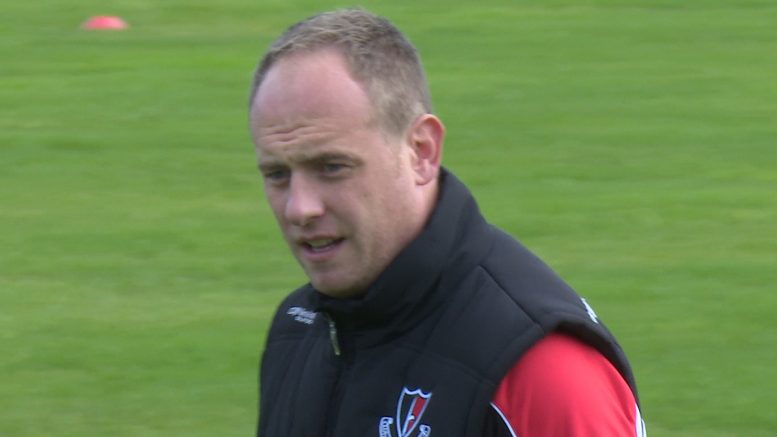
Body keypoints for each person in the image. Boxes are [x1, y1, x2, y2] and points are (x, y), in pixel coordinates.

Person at [248, 8, 646, 437]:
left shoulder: (541, 369)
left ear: (421, 151)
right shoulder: (301, 329)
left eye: (332, 167)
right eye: (277, 174)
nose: (300, 208)